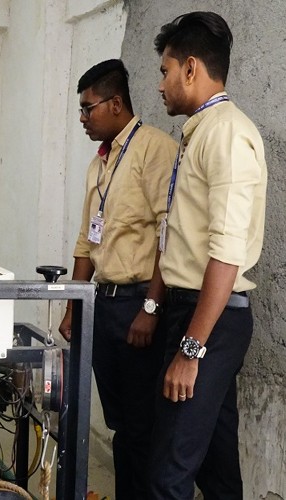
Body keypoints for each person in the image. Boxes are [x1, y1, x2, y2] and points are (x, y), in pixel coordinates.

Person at [148, 11, 267, 499]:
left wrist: (191, 350)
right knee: (217, 471)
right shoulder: (201, 131)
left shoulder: (228, 134)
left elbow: (227, 251)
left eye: (164, 70)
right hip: (193, 312)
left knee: (167, 473)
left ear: (190, 68)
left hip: (208, 321)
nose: (160, 84)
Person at [58, 59, 176, 499]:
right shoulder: (99, 163)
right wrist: (74, 306)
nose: (84, 118)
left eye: (88, 109)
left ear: (117, 103)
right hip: (102, 306)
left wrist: (151, 308)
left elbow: (170, 234)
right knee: (122, 424)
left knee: (143, 426)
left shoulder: (154, 149)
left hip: (138, 304)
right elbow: (87, 240)